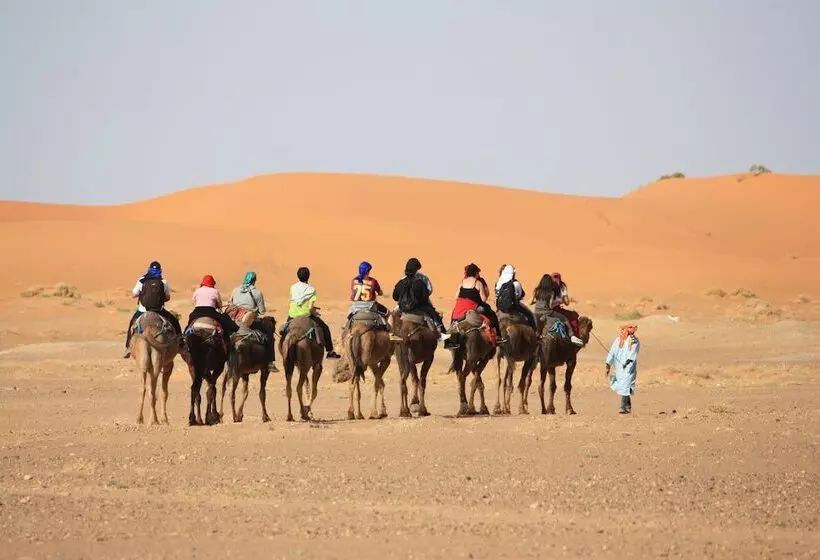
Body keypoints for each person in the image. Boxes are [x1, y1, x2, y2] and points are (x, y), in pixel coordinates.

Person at [123, 261, 183, 358]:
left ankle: (128, 348)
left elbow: (134, 294)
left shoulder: (141, 280)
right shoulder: (163, 281)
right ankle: (181, 345)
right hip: (159, 311)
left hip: (143, 310)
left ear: (149, 269)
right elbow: (168, 297)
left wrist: (142, 294)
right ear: (160, 270)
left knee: (132, 324)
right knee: (174, 321)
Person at [283, 267, 341, 359]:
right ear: (308, 276)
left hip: (292, 316)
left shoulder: (292, 287)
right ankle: (330, 352)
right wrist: (314, 312)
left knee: (284, 331)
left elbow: (296, 301)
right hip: (306, 315)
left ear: (298, 276)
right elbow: (310, 308)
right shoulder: (311, 289)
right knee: (325, 328)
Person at [392, 258, 450, 341]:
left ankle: (393, 332)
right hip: (420, 307)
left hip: (403, 308)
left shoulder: (401, 281)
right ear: (416, 269)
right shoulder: (421, 280)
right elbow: (427, 294)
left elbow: (395, 297)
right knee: (434, 315)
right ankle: (440, 334)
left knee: (393, 315)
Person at [229, 272, 276, 367]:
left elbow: (231, 303)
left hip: (235, 320)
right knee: (269, 329)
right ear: (254, 281)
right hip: (250, 321)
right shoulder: (257, 293)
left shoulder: (235, 290)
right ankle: (270, 361)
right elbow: (262, 311)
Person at [450, 263, 502, 339]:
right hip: (472, 307)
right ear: (475, 273)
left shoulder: (462, 282)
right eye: (478, 273)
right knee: (492, 314)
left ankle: (450, 332)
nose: (478, 274)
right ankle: (498, 336)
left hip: (460, 308)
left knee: (453, 315)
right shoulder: (478, 283)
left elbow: (456, 297)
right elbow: (483, 299)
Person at [531, 274, 584, 347]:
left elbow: (531, 301)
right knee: (565, 319)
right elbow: (551, 305)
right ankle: (572, 336)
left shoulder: (536, 290)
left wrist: (539, 301)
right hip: (548, 311)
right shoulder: (553, 291)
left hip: (536, 311)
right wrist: (559, 301)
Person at [186, 275, 240, 343]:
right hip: (211, 312)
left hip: (197, 311)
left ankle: (184, 339)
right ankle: (228, 341)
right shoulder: (215, 291)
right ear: (212, 283)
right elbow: (220, 305)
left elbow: (194, 301)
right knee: (224, 319)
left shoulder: (197, 290)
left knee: (190, 323)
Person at [605, 324, 640, 414]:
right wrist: (608, 364)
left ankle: (623, 407)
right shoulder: (618, 340)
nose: (622, 332)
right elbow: (612, 351)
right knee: (623, 385)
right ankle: (628, 406)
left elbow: (633, 352)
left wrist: (628, 362)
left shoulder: (633, 340)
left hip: (629, 366)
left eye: (623, 330)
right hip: (619, 367)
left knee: (625, 384)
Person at [494, 264, 536, 330]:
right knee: (529, 314)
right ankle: (535, 331)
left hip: (500, 308)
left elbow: (496, 295)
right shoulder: (515, 283)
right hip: (514, 307)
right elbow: (521, 294)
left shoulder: (498, 283)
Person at [550, 272, 581, 337]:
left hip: (543, 309)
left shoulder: (546, 286)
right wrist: (562, 301)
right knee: (573, 317)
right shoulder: (562, 286)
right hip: (555, 310)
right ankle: (573, 336)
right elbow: (567, 303)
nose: (556, 279)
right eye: (555, 277)